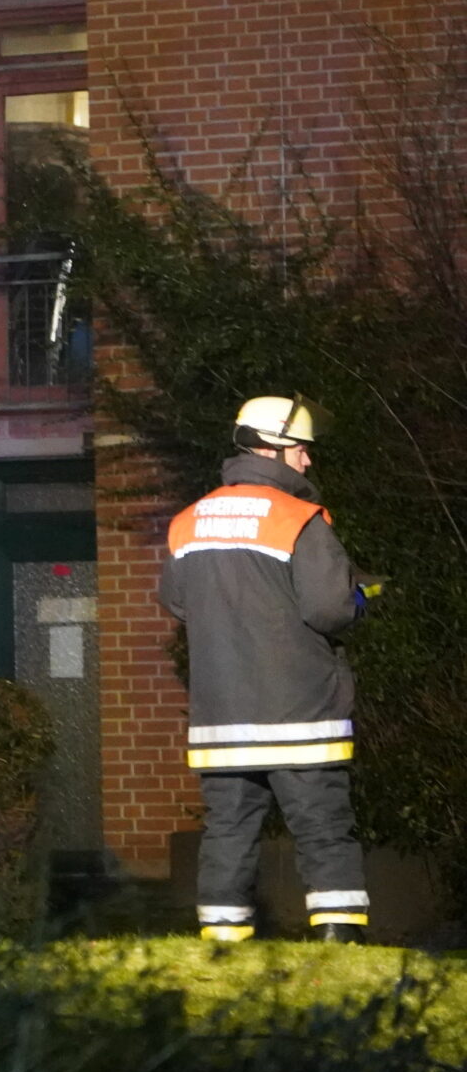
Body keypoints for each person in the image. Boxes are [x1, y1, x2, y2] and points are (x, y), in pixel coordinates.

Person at [160, 396, 369, 942]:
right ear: (274, 448)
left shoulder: (189, 520)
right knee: (323, 826)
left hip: (222, 714)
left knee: (228, 828)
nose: (307, 462)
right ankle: (339, 937)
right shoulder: (299, 519)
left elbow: (178, 600)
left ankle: (223, 939)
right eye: (301, 450)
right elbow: (329, 608)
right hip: (298, 710)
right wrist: (361, 597)